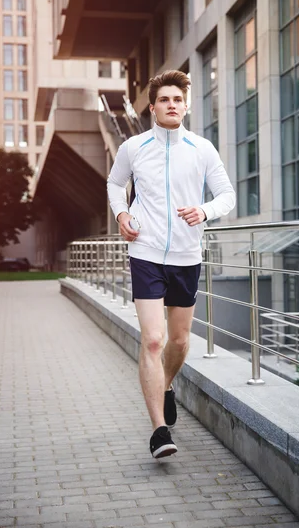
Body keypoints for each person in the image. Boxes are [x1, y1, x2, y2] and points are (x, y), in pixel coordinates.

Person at [107, 70, 235, 458]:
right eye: (164, 99)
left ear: (185, 105)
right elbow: (115, 184)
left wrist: (204, 210)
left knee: (179, 341)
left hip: (186, 256)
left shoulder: (202, 148)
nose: (171, 105)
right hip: (144, 252)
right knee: (153, 339)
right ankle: (159, 432)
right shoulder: (133, 147)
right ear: (153, 106)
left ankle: (166, 385)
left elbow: (227, 195)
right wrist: (121, 214)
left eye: (177, 99)